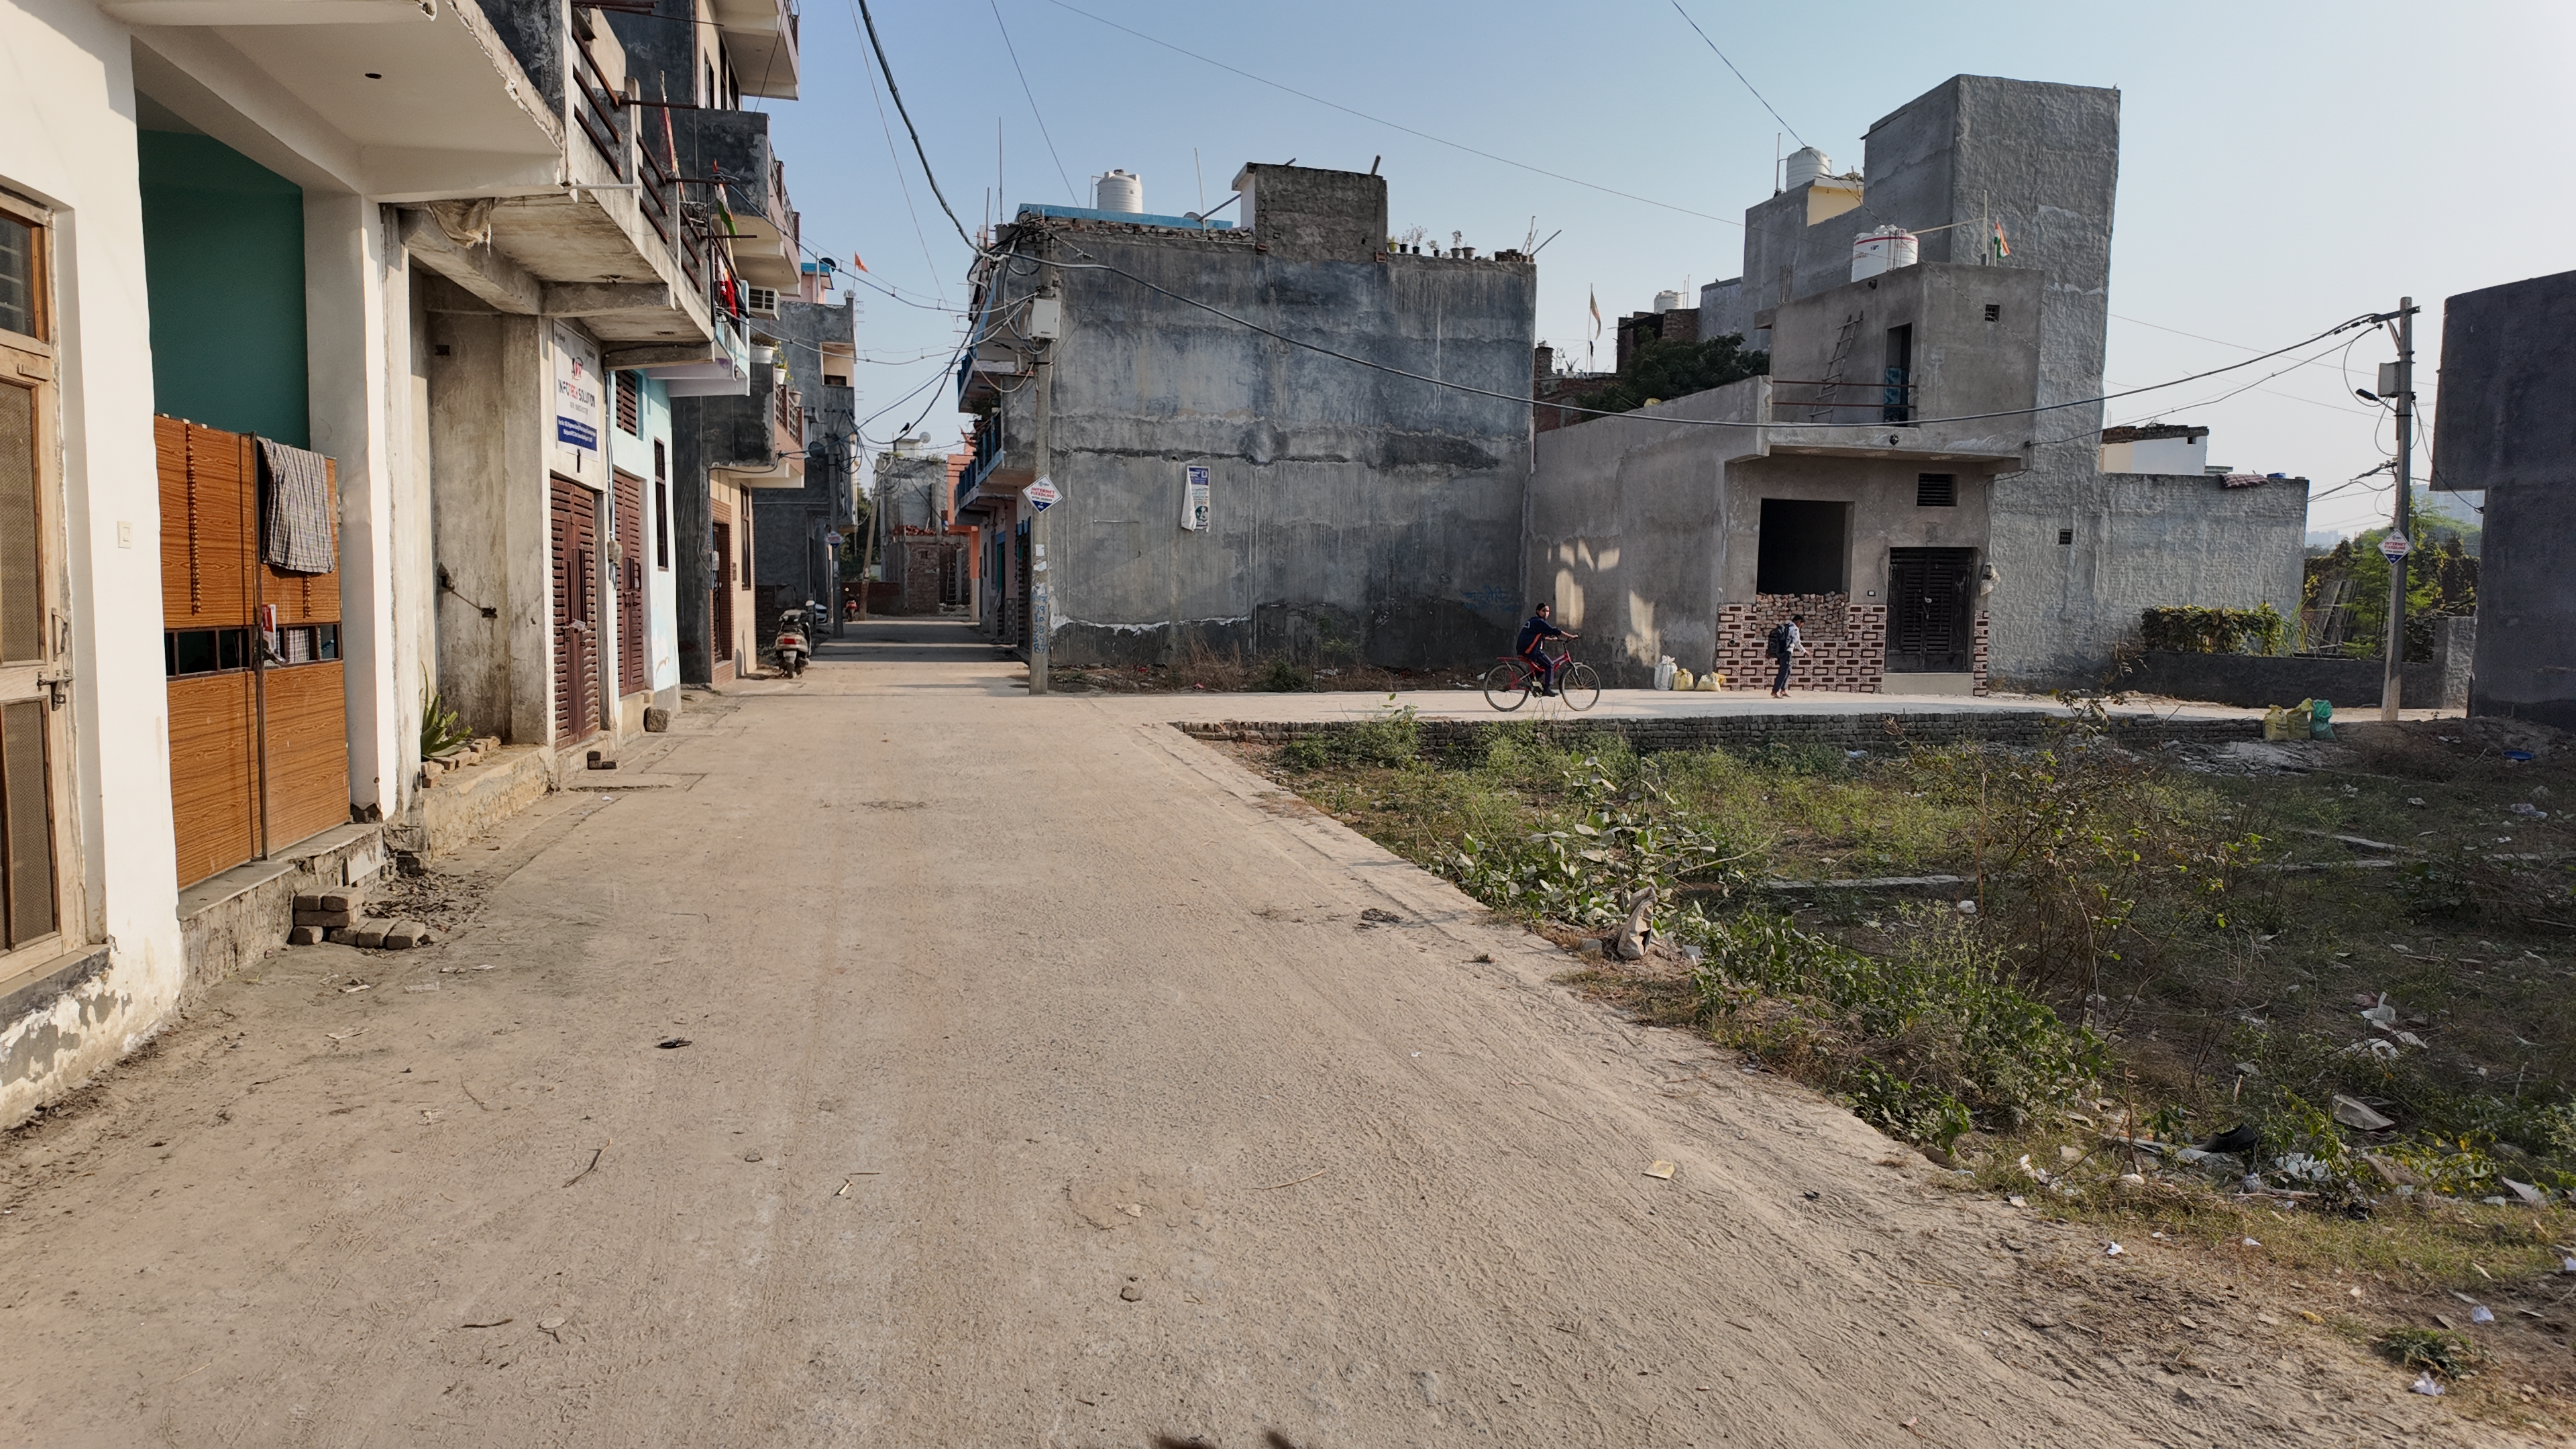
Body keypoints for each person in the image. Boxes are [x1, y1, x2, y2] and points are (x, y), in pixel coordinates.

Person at [1516, 603, 1578, 695]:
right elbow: (1555, 631)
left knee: (1542, 667)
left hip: (1524, 649)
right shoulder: (1539, 622)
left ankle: (1530, 682)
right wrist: (1571, 636)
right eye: (1543, 611)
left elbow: (1537, 635)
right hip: (1531, 651)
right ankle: (1546, 689)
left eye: (1547, 611)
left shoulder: (1533, 621)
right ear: (1538, 611)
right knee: (1550, 664)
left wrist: (1551, 639)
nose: (1546, 613)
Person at [1766, 612, 1805, 698]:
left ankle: (1783, 690)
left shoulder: (1787, 626)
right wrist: (1804, 651)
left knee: (1788, 671)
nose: (1800, 627)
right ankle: (1775, 691)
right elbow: (1797, 642)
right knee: (1783, 672)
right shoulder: (1794, 629)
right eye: (1801, 625)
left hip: (1782, 652)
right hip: (1786, 652)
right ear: (1799, 621)